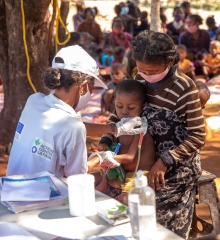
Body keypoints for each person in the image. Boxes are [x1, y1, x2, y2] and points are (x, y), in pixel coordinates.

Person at [6, 45, 147, 178]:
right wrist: (99, 158)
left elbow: (63, 126)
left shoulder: (34, 100)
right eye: (91, 89)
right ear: (83, 87)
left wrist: (115, 128)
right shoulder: (73, 127)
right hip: (44, 200)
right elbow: (77, 177)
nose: (91, 94)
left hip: (10, 190)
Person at [132, 30, 206, 239]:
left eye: (153, 71)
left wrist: (164, 161)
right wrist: (105, 140)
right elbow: (121, 112)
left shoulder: (185, 88)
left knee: (156, 214)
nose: (146, 75)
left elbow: (198, 136)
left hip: (177, 166)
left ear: (170, 62)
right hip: (144, 159)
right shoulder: (138, 79)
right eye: (141, 69)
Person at [89, 80, 156, 204]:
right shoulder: (120, 126)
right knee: (90, 181)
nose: (124, 111)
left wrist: (104, 158)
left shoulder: (139, 129)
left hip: (137, 174)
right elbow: (116, 146)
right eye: (119, 106)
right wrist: (103, 147)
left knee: (124, 199)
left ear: (143, 106)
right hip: (121, 171)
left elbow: (130, 157)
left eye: (131, 108)